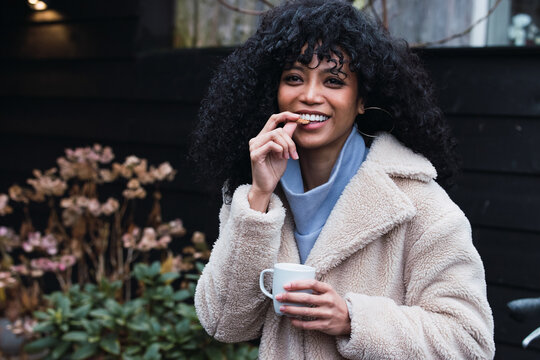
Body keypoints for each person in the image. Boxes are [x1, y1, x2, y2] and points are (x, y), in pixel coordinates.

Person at [191, 0, 495, 358]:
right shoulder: (254, 196)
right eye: (294, 78)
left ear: (362, 99)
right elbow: (224, 323)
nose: (310, 96)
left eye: (333, 81)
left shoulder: (419, 205)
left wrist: (353, 319)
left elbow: (470, 342)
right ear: (274, 91)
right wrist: (259, 198)